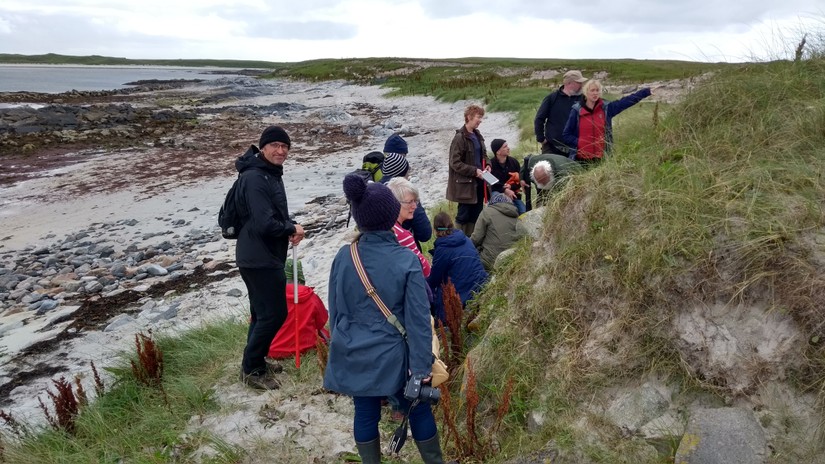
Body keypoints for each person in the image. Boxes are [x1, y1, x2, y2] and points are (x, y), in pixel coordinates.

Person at [324, 173, 444, 464]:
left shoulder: (343, 256)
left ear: (358, 217)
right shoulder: (406, 259)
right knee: (418, 410)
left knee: (364, 412)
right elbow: (418, 320)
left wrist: (341, 347)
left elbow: (336, 310)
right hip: (396, 354)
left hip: (354, 348)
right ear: (392, 214)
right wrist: (421, 366)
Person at [235, 125, 305, 390]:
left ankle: (255, 362)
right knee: (275, 314)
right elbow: (265, 223)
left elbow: (274, 215)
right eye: (275, 145)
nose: (280, 150)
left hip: (263, 253)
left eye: (285, 146)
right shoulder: (255, 178)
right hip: (258, 257)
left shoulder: (270, 174)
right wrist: (291, 229)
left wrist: (291, 225)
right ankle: (251, 368)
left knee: (260, 313)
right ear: (262, 147)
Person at [562, 79, 654, 164]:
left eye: (597, 90)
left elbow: (626, 102)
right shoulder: (577, 110)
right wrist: (579, 142)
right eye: (592, 90)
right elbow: (566, 135)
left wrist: (646, 92)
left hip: (602, 160)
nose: (595, 93)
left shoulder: (606, 108)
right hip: (580, 160)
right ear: (586, 92)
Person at [427, 212, 488, 324]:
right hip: (481, 284)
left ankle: (441, 322)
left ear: (435, 230)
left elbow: (434, 280)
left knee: (438, 291)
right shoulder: (465, 238)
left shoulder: (443, 249)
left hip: (463, 294)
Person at [268, 259, 330, 359]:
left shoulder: (269, 296)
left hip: (273, 350)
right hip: (306, 348)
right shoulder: (311, 296)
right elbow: (321, 322)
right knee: (324, 333)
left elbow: (256, 323)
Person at [446, 104, 489, 237]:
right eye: (478, 117)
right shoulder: (460, 138)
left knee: (476, 214)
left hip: (479, 183)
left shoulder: (477, 135)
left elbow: (484, 154)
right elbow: (455, 163)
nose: (480, 120)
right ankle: (459, 241)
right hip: (465, 185)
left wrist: (487, 164)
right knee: (463, 215)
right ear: (469, 117)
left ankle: (472, 242)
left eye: (481, 117)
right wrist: (474, 171)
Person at [380, 152, 433, 251]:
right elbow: (425, 234)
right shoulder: (406, 195)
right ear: (402, 174)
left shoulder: (374, 193)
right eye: (407, 172)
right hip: (408, 253)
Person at [534, 70, 586, 155]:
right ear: (569, 83)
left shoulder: (583, 99)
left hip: (577, 148)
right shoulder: (552, 98)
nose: (582, 85)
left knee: (577, 168)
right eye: (579, 83)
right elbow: (539, 119)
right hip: (552, 147)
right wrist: (541, 139)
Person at [387, 177, 431, 278]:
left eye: (415, 201)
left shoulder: (387, 226)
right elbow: (426, 271)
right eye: (410, 202)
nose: (415, 206)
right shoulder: (402, 235)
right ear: (395, 203)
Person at [471, 193, 528, 271]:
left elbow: (476, 238)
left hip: (490, 260)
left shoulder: (487, 212)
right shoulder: (515, 214)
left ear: (492, 202)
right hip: (512, 259)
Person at [488, 139, 525, 215]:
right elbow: (490, 184)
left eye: (507, 146)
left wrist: (510, 187)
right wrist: (504, 190)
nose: (508, 148)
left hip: (513, 193)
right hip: (497, 193)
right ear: (498, 152)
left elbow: (520, 181)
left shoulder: (514, 162)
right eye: (505, 147)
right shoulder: (490, 165)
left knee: (523, 211)